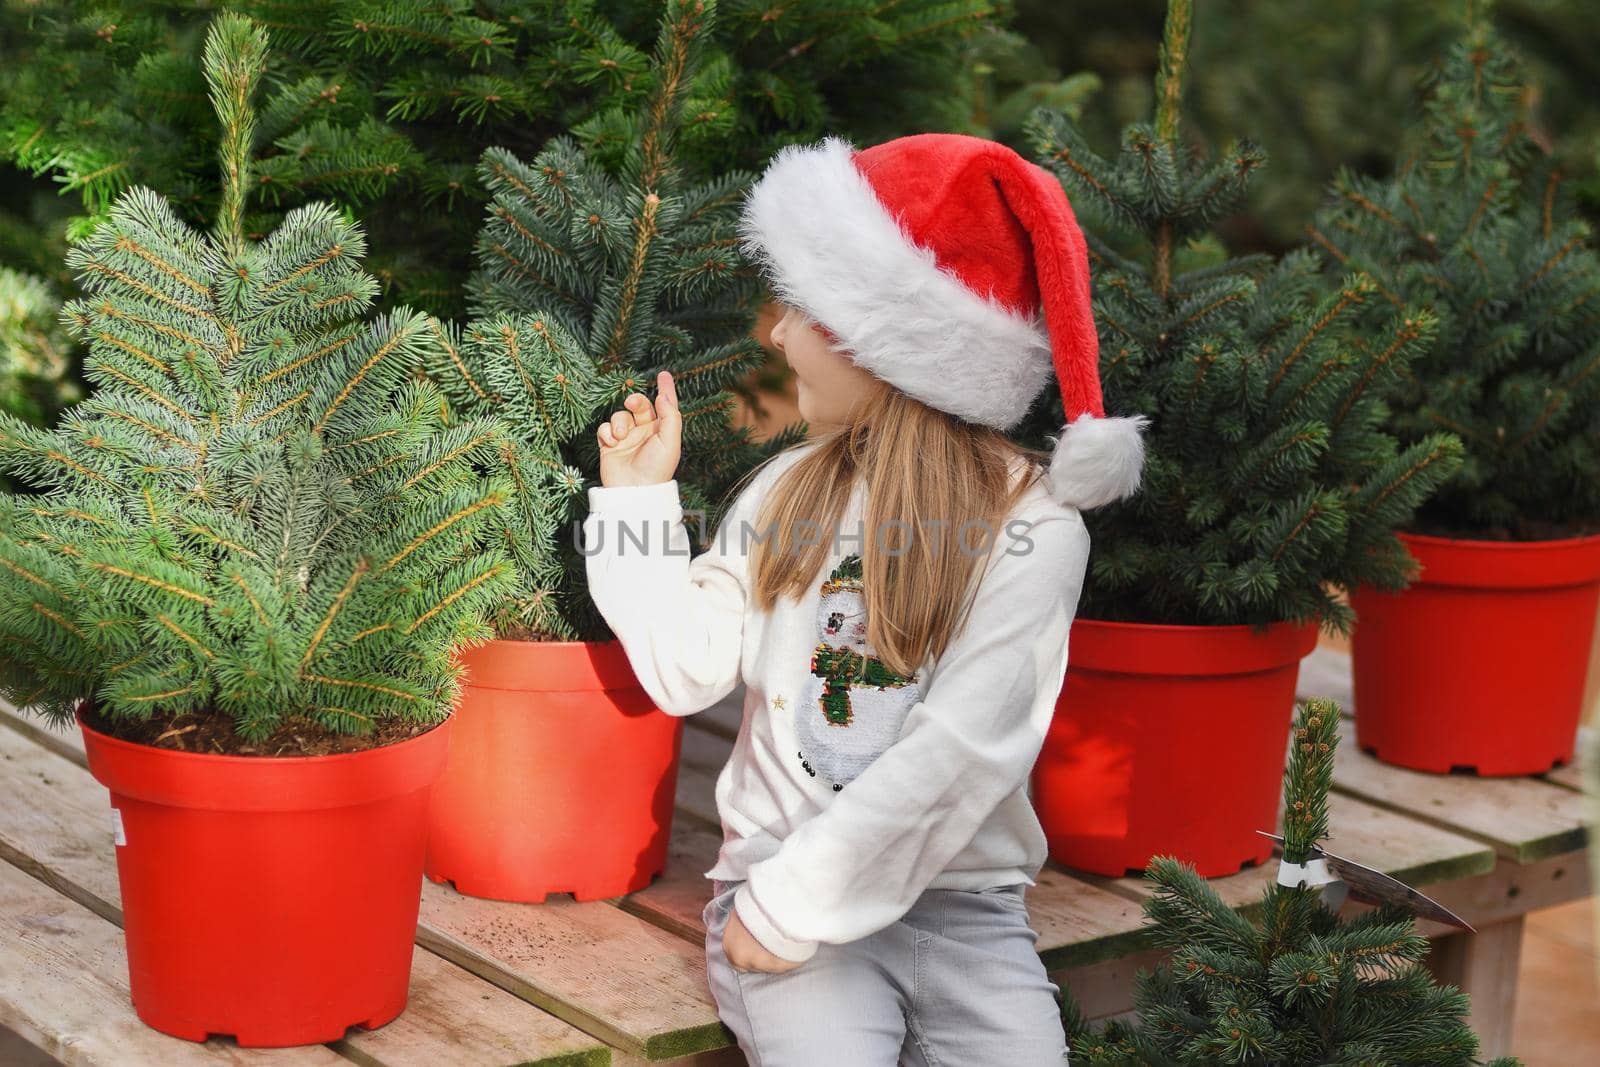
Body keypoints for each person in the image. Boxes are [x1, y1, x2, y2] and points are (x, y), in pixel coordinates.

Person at [581, 132, 1150, 1066]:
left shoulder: (1038, 531)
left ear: (884, 344)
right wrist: (639, 499)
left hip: (962, 911)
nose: (777, 334)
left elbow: (963, 750)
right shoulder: (787, 493)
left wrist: (802, 897)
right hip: (776, 896)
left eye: (801, 307)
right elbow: (684, 667)